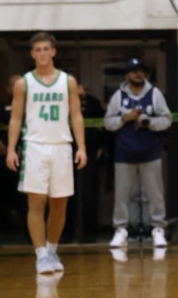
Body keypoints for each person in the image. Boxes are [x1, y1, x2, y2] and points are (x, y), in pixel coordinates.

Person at [5, 32, 87, 274]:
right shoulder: (24, 83)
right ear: (32, 54)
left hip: (62, 146)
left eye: (45, 49)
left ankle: (52, 250)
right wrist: (11, 149)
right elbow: (16, 118)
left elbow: (76, 116)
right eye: (37, 49)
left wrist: (81, 147)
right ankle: (40, 254)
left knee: (60, 203)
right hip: (34, 146)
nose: (42, 53)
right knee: (37, 201)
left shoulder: (68, 81)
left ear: (53, 52)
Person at [104, 58, 172, 249]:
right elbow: (108, 123)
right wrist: (124, 118)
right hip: (124, 154)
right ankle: (121, 230)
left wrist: (148, 122)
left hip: (150, 152)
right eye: (134, 71)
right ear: (127, 75)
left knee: (155, 194)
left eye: (141, 71)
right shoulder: (118, 96)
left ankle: (157, 229)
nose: (138, 74)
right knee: (122, 195)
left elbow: (167, 119)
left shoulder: (155, 93)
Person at [77, 83, 105, 242]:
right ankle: (66, 233)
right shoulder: (62, 101)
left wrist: (102, 147)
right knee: (66, 196)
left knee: (88, 194)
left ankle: (89, 232)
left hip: (90, 153)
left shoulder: (93, 102)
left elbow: (103, 124)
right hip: (66, 152)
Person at [0, 74, 23, 232]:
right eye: (14, 85)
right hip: (3, 156)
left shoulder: (32, 107)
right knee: (3, 194)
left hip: (27, 156)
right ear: (8, 89)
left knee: (26, 197)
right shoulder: (2, 108)